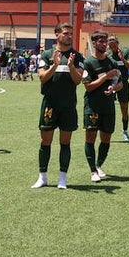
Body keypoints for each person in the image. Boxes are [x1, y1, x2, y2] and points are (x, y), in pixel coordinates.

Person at [32, 24, 84, 190]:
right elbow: (42, 77)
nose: (69, 36)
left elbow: (78, 80)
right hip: (50, 103)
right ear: (57, 35)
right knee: (45, 140)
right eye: (66, 33)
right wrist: (54, 65)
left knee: (65, 142)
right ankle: (43, 177)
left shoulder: (77, 56)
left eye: (71, 33)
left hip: (68, 104)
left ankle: (63, 178)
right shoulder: (47, 54)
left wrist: (70, 67)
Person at [81, 30, 121, 183]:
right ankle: (92, 171)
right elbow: (88, 87)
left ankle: (98, 165)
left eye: (105, 42)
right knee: (91, 137)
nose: (104, 44)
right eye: (101, 42)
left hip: (108, 106)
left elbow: (120, 83)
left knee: (106, 138)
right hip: (93, 106)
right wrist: (106, 76)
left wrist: (113, 88)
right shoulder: (88, 63)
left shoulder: (111, 61)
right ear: (94, 43)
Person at [108, 35, 129, 141]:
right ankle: (108, 130)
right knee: (108, 109)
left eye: (113, 42)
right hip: (110, 84)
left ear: (117, 43)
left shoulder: (126, 51)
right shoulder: (107, 54)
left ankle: (125, 130)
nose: (111, 44)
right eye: (109, 43)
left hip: (123, 84)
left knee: (124, 109)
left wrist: (122, 58)